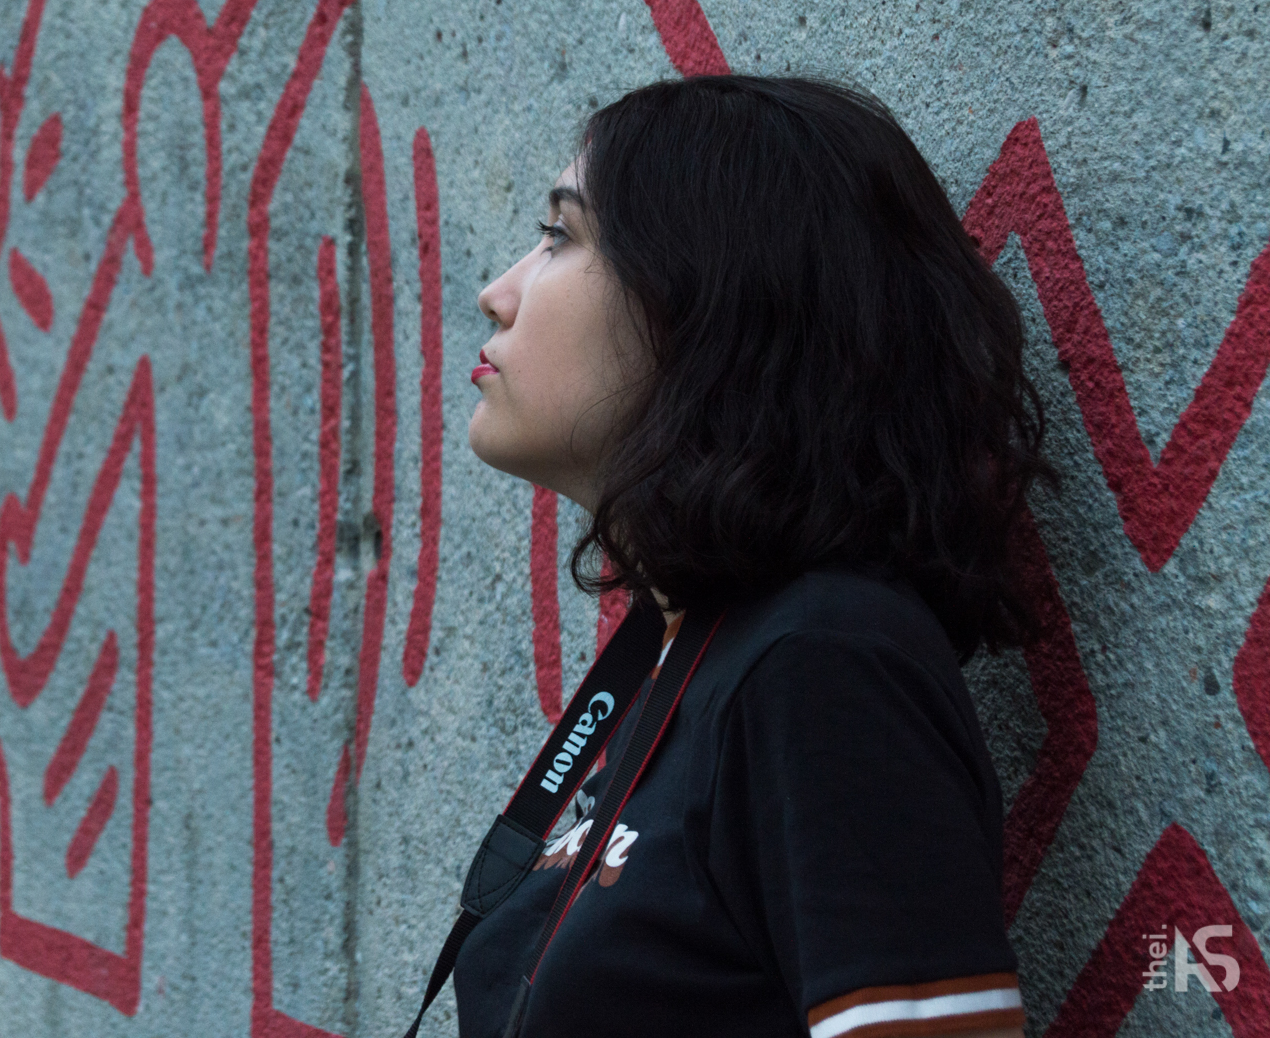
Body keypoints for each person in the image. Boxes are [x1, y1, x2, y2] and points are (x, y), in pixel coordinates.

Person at [449, 75, 1057, 1038]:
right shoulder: (705, 655)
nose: (500, 292)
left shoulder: (822, 661)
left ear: (708, 303)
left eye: (560, 236)